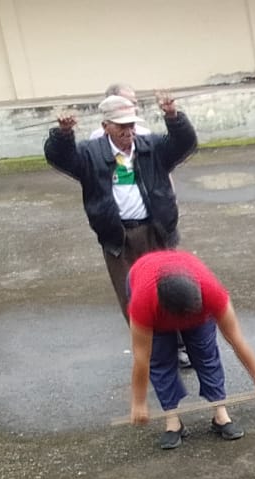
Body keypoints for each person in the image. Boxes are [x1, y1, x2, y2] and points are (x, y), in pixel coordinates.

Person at [45, 92, 197, 321]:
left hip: (157, 232)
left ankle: (176, 339)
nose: (128, 131)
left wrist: (173, 116)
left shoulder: (152, 147)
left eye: (131, 125)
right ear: (105, 126)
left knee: (170, 293)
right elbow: (60, 158)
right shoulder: (89, 154)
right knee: (133, 300)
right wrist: (63, 134)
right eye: (121, 126)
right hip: (118, 239)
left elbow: (185, 144)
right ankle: (146, 341)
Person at [126, 250, 255, 449]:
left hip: (196, 305)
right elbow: (142, 358)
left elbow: (236, 340)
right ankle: (172, 419)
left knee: (205, 353)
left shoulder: (212, 293)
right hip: (148, 287)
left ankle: (220, 413)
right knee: (160, 358)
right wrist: (138, 402)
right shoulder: (143, 303)